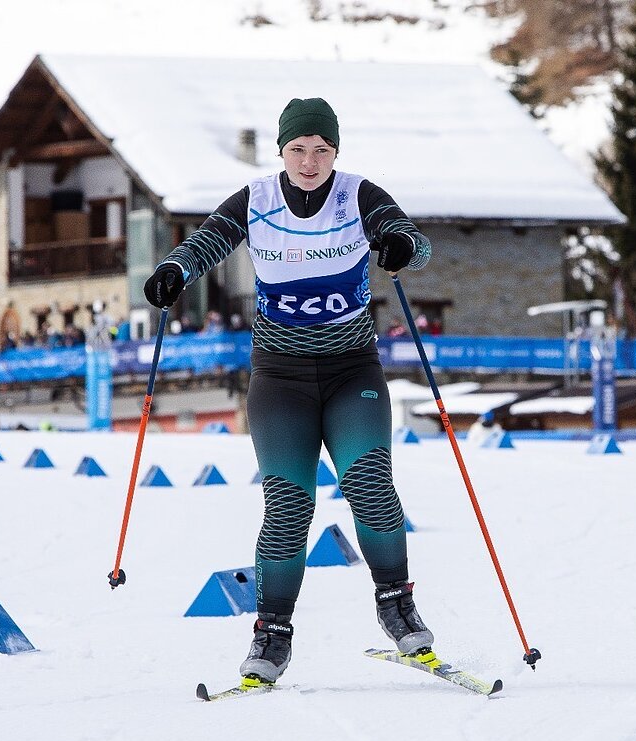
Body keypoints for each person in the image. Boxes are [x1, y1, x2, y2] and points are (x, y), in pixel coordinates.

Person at [143, 97, 433, 685]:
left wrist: (401, 245)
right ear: (281, 152)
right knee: (288, 505)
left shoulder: (358, 194)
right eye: (297, 150)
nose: (309, 162)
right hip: (281, 380)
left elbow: (409, 238)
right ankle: (272, 634)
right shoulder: (256, 201)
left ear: (336, 152)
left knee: (370, 485)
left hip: (353, 372)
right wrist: (174, 272)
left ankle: (395, 604)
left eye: (321, 150)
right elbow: (205, 243)